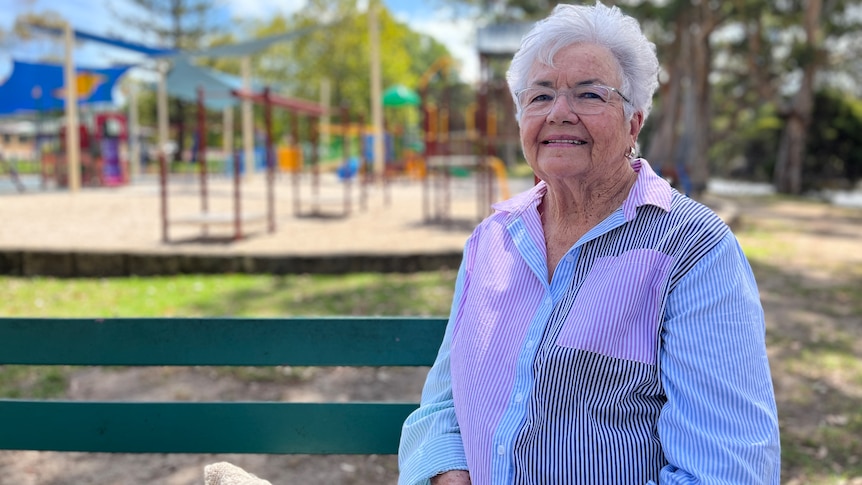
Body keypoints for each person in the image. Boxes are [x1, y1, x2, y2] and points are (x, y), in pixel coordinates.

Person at [398, 2, 781, 484]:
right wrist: (447, 475)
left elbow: (729, 469)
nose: (559, 113)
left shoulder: (694, 249)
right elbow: (442, 407)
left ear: (633, 124)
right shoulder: (493, 239)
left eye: (589, 94)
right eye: (539, 96)